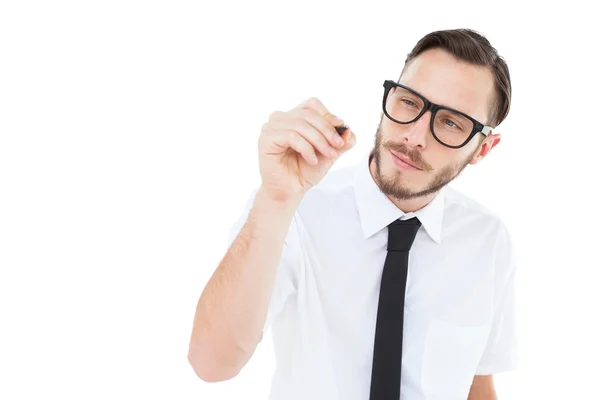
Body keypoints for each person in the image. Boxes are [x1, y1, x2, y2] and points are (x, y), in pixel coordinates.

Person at [188, 28, 518, 400]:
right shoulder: (295, 209)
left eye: (451, 123)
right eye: (410, 102)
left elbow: (475, 382)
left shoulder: (487, 239)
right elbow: (210, 364)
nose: (415, 136)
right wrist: (276, 200)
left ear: (483, 149)